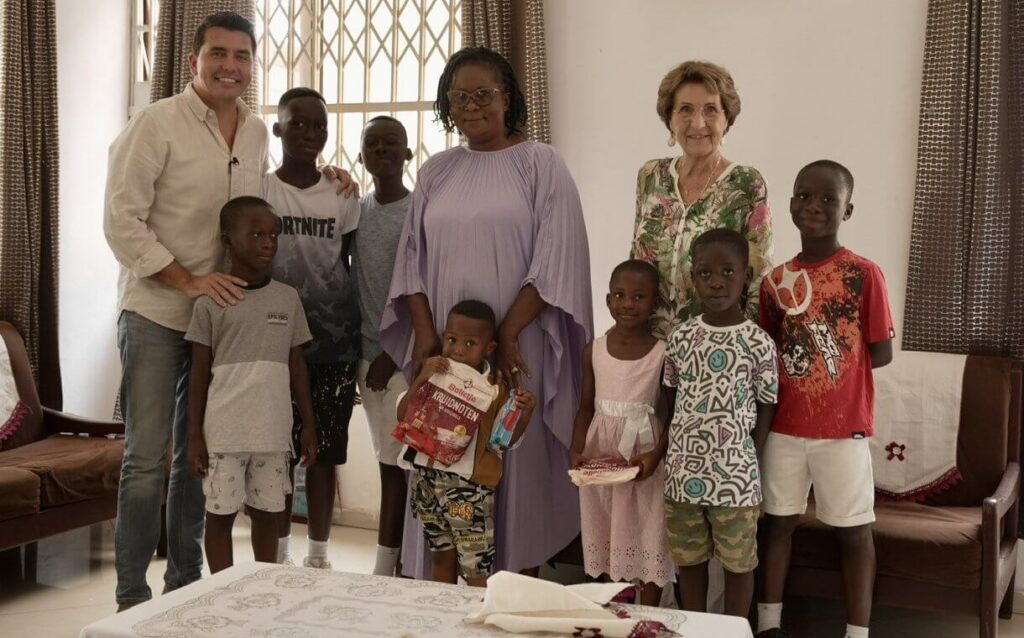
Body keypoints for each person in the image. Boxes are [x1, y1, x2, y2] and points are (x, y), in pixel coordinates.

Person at [379, 47, 593, 576]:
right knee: (443, 463)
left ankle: (511, 582)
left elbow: (556, 254)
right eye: (459, 96)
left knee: (507, 457)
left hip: (517, 345)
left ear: (508, 98)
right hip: (450, 357)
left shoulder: (541, 164)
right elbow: (411, 261)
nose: (471, 106)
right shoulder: (436, 171)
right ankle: (444, 597)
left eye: (484, 95)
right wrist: (428, 339)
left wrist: (509, 331)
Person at [103, 12, 268, 609]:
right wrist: (187, 279)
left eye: (242, 56)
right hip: (154, 312)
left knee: (199, 457)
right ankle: (130, 599)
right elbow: (121, 221)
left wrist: (329, 179)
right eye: (218, 53)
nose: (230, 65)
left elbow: (256, 214)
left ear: (253, 64)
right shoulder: (155, 123)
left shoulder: (256, 133)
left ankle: (183, 588)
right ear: (193, 60)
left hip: (215, 324)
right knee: (146, 461)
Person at [756, 160, 894, 638]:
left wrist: (832, 376)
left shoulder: (862, 274)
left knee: (854, 529)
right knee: (776, 524)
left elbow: (880, 353)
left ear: (847, 210)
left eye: (827, 199)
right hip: (785, 429)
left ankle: (858, 632)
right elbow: (768, 352)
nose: (813, 206)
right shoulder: (773, 282)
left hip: (843, 430)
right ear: (790, 203)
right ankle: (769, 625)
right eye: (803, 195)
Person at [185, 196, 318, 574]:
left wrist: (307, 425)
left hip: (273, 433)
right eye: (257, 233)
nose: (268, 242)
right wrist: (194, 435)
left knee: (269, 516)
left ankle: (263, 585)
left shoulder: (287, 298)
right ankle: (224, 590)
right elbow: (197, 374)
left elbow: (296, 365)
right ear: (227, 241)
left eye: (273, 234)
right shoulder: (211, 302)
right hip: (224, 435)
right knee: (221, 517)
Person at [263, 87, 362, 570]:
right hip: (273, 341)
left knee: (325, 450)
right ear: (278, 128)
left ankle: (318, 556)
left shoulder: (342, 192)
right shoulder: (261, 188)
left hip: (332, 340)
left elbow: (348, 260)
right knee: (277, 451)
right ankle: (278, 552)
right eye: (297, 124)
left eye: (319, 125)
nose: (308, 133)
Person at [657, 228, 778, 618]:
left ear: (745, 276)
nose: (716, 282)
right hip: (683, 474)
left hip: (736, 477)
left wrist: (750, 459)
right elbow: (670, 399)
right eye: (706, 273)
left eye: (728, 272)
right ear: (693, 278)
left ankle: (735, 629)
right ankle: (695, 627)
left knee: (739, 563)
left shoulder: (759, 342)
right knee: (689, 562)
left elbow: (766, 406)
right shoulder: (681, 337)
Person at [397, 300, 536, 586]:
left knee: (475, 567)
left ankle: (476, 624)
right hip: (427, 481)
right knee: (440, 556)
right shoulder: (433, 373)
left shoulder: (494, 390)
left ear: (489, 348)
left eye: (470, 343)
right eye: (451, 340)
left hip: (467, 488)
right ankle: (443, 620)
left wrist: (524, 413)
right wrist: (422, 376)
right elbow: (403, 417)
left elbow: (504, 441)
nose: (458, 350)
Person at [632, 60, 773, 340]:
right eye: (685, 109)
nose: (698, 123)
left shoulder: (746, 183)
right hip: (650, 346)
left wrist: (749, 350)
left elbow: (759, 279)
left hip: (715, 351)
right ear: (669, 119)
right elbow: (637, 260)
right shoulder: (650, 176)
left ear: (727, 119)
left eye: (710, 109)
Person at [569, 259, 674, 606]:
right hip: (600, 450)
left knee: (647, 528)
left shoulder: (662, 353)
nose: (628, 303)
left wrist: (654, 456)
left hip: (642, 452)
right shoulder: (593, 349)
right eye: (620, 295)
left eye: (639, 296)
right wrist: (577, 449)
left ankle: (651, 610)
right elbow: (585, 406)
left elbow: (671, 412)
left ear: (654, 304)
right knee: (601, 525)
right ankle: (601, 609)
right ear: (608, 300)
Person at [352, 115, 414, 577]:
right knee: (386, 461)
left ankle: (388, 564)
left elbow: (424, 289)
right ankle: (395, 562)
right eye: (371, 144)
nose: (381, 150)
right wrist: (368, 354)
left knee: (404, 467)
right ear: (361, 155)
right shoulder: (357, 211)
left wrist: (393, 354)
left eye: (392, 143)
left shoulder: (418, 213)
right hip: (367, 358)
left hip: (406, 359)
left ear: (408, 153)